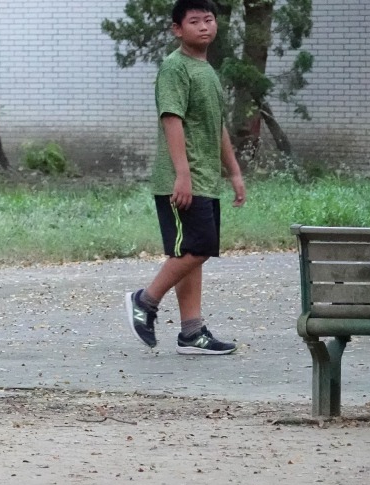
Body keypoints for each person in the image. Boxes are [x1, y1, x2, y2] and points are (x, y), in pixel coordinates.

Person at [126, 0, 245, 355]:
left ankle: (192, 333)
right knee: (199, 247)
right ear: (178, 29)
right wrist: (182, 174)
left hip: (205, 178)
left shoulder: (207, 71)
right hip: (181, 179)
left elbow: (217, 125)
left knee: (192, 252)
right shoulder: (174, 68)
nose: (204, 27)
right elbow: (171, 119)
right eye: (195, 21)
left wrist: (234, 171)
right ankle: (144, 301)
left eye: (209, 20)